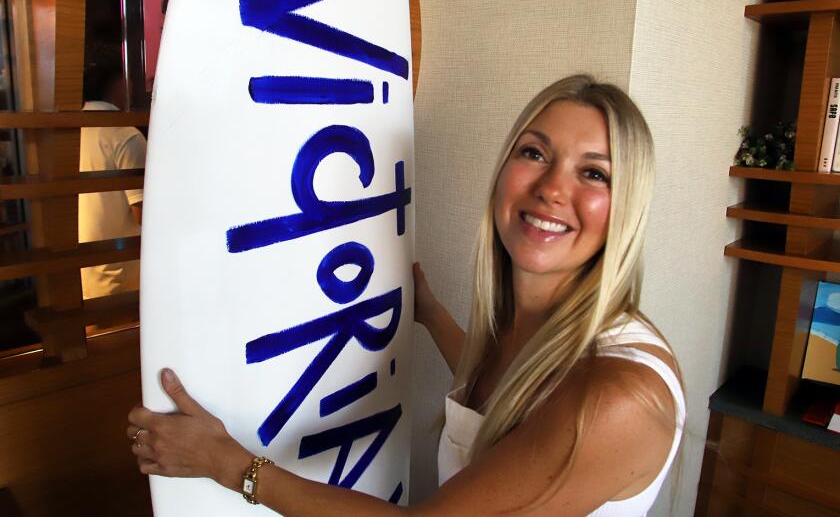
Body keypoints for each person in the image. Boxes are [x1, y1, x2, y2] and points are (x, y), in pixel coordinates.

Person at [127, 74, 684, 515]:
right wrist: (431, 314)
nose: (552, 189)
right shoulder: (535, 327)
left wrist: (227, 463)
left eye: (595, 175)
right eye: (535, 153)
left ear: (627, 208)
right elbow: (501, 390)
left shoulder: (617, 399)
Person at [79, 56, 147, 299]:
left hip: (85, 273)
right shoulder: (124, 135)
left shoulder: (73, 131)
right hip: (122, 276)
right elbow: (143, 215)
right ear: (119, 83)